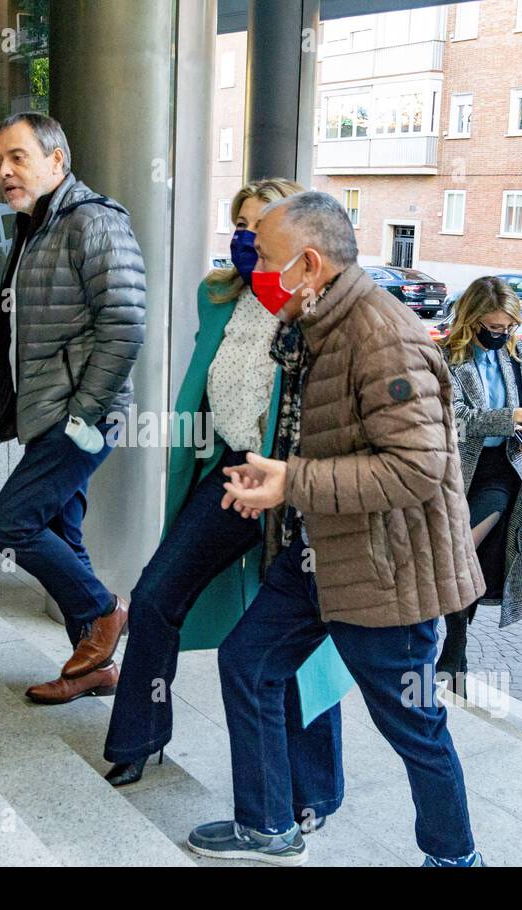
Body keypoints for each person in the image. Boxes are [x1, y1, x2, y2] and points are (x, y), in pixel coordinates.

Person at [189, 191, 486, 866]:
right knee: (248, 662)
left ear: (310, 263)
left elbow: (415, 469)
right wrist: (277, 488)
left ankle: (455, 858)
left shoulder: (382, 337)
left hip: (385, 566)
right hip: (317, 550)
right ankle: (267, 824)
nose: (253, 266)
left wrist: (294, 483)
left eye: (265, 256)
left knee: (411, 724)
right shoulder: (316, 321)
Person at [101, 178, 343, 830]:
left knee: (290, 644)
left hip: (298, 488)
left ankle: (313, 790)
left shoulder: (322, 309)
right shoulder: (220, 298)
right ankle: (138, 737)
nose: (247, 236)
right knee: (154, 596)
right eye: (240, 223)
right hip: (232, 472)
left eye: (261, 225)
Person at [0, 112, 146, 704]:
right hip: (48, 411)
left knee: (11, 523)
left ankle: (105, 613)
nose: (4, 170)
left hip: (80, 418)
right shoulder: (37, 226)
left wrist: (84, 412)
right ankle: (91, 668)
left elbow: (124, 322)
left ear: (57, 161)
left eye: (18, 157)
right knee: (58, 529)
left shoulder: (92, 222)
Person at [438, 276, 522, 695]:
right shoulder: (443, 358)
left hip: (502, 472)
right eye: (493, 327)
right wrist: (520, 418)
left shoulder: (516, 352)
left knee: (463, 553)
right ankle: (454, 653)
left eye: (508, 326)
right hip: (454, 474)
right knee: (455, 561)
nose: (502, 334)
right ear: (471, 320)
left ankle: (452, 650)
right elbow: (460, 420)